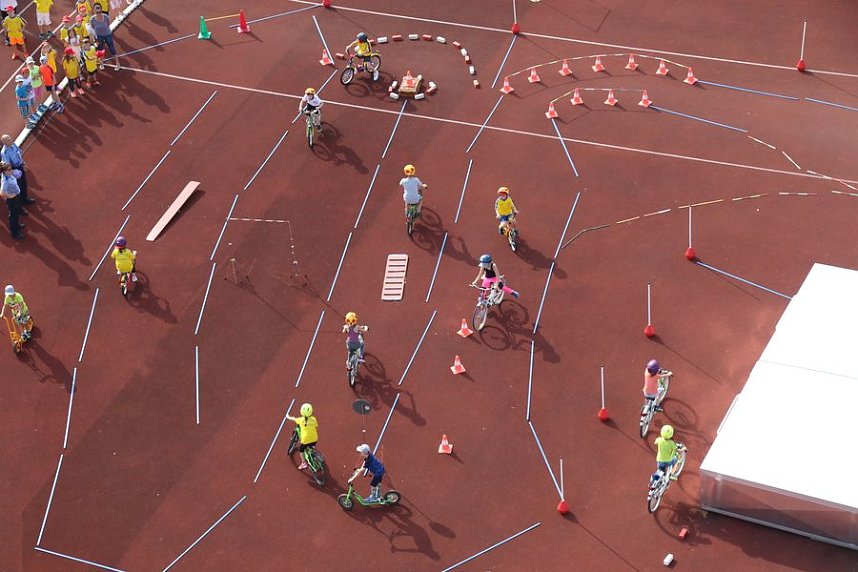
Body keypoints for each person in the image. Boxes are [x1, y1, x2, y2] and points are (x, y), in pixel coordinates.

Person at [1, 134, 35, 207]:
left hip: (19, 167)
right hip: (13, 170)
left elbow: (18, 154)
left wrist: (23, 163)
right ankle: (19, 206)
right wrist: (13, 173)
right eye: (8, 140)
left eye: (10, 139)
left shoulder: (13, 145)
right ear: (4, 142)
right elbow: (7, 165)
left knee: (24, 184)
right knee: (17, 189)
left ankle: (24, 200)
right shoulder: (4, 153)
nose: (11, 141)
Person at [285, 402, 319, 470]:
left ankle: (304, 463)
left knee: (301, 450)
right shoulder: (314, 419)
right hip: (314, 438)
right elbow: (316, 426)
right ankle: (313, 451)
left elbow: (293, 419)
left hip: (305, 440)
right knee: (312, 445)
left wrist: (287, 416)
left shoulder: (300, 420)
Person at [90, 4, 119, 71]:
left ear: (101, 9)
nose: (98, 11)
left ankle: (117, 64)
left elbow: (108, 25)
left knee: (112, 49)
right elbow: (92, 29)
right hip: (99, 37)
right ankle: (102, 63)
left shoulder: (105, 17)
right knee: (100, 51)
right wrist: (95, 39)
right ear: (94, 10)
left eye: (99, 8)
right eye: (96, 9)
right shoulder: (92, 19)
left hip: (107, 35)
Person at [0, 162, 24, 239]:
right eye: (9, 169)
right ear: (4, 171)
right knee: (13, 215)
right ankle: (14, 232)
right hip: (11, 200)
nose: (11, 170)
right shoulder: (5, 181)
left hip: (15, 197)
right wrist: (10, 196)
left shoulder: (9, 175)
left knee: (16, 213)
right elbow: (2, 193)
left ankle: (17, 226)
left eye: (11, 169)